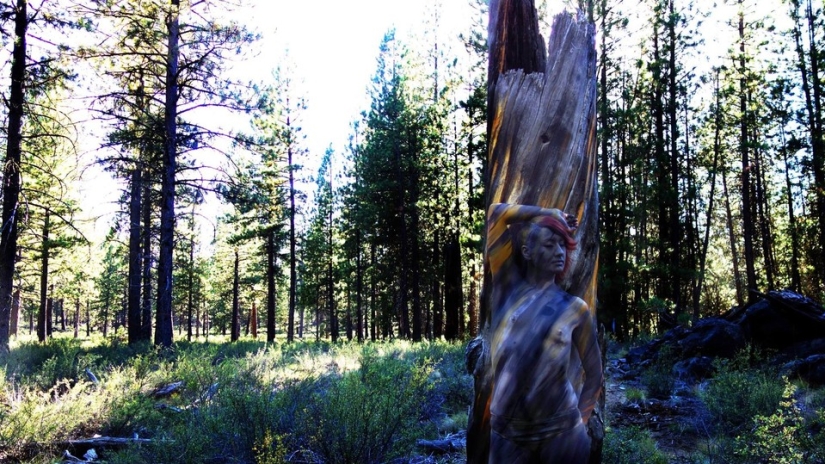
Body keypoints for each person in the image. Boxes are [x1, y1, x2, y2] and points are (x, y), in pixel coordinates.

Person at [486, 202, 602, 463]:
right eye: (549, 245)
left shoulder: (575, 309)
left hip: (561, 435)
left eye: (562, 245)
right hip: (508, 435)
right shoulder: (506, 289)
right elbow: (496, 214)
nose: (559, 251)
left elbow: (595, 374)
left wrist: (580, 424)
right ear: (527, 251)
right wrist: (546, 213)